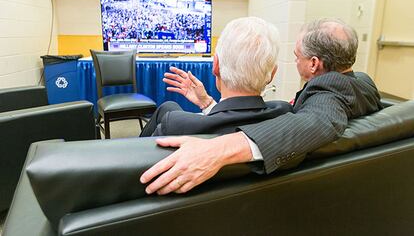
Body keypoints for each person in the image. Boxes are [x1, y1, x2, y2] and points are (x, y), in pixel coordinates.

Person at [140, 18, 384, 195]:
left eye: (296, 55)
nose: (294, 59)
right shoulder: (363, 84)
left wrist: (219, 149)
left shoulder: (327, 96)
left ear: (313, 64)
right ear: (271, 74)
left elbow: (320, 121)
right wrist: (207, 103)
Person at [139, 17, 292, 137]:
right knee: (168, 107)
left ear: (215, 65)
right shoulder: (285, 114)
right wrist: (207, 103)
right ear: (272, 74)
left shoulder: (173, 125)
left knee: (167, 109)